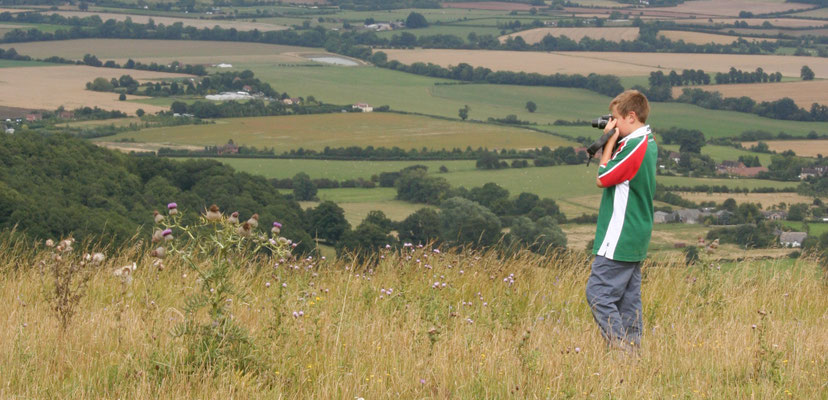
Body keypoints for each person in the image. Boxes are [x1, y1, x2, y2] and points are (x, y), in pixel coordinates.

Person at [585, 90, 657, 351]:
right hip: (636, 231)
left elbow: (602, 178)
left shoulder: (634, 147)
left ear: (631, 116)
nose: (612, 123)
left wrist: (608, 143)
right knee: (628, 301)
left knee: (597, 293)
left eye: (615, 118)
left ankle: (621, 349)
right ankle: (633, 354)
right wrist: (615, 139)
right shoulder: (647, 141)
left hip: (620, 233)